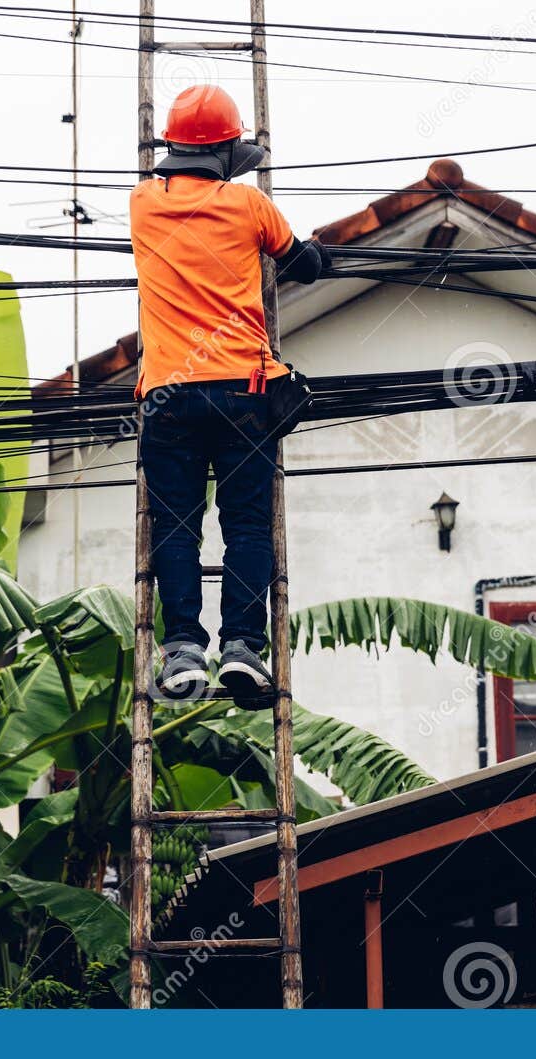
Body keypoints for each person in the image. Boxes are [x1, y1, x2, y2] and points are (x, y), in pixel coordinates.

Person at [130, 84, 329, 702]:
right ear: (226, 150)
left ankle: (183, 650)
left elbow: (193, 174)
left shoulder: (141, 204)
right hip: (244, 392)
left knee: (175, 528)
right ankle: (243, 646)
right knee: (246, 525)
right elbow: (306, 265)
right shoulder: (249, 205)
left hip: (168, 395)